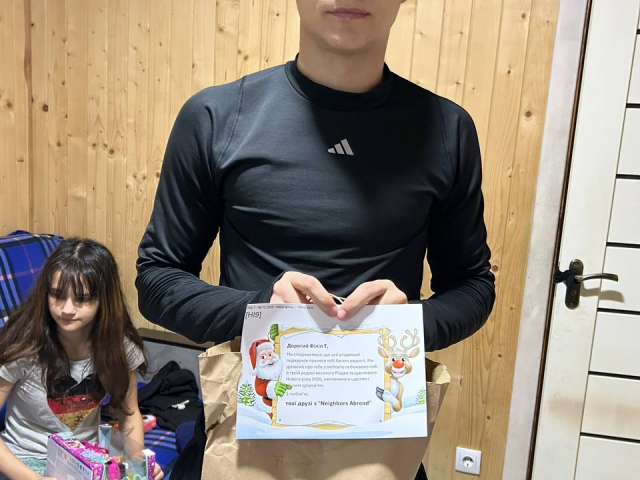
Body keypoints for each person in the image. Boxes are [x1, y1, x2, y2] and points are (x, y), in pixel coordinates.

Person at [136, 1, 495, 478]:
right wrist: (258, 309)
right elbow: (157, 280)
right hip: (245, 436)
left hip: (378, 446)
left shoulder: (448, 130)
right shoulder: (217, 116)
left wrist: (408, 323)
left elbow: (474, 285)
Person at [0, 239, 164, 480]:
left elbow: (128, 414)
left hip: (87, 462)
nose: (66, 309)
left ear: (103, 300)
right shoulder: (25, 343)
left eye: (82, 298)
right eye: (57, 295)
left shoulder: (118, 346)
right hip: (24, 462)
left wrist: (138, 464)